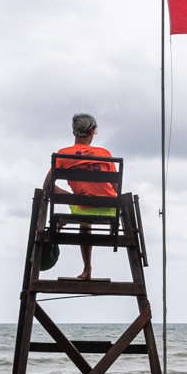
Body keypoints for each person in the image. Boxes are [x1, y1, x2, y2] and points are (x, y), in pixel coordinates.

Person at [42, 113, 118, 280]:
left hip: (83, 209)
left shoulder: (63, 154)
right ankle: (87, 268)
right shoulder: (105, 153)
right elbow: (116, 187)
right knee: (87, 206)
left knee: (83, 210)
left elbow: (46, 187)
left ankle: (87, 269)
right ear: (91, 132)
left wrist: (70, 196)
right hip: (110, 211)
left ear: (74, 132)